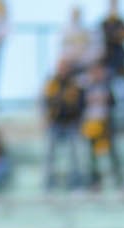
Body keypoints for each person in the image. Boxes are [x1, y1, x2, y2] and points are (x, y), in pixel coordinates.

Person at [41, 58, 86, 191]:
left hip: (71, 123)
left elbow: (80, 104)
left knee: (75, 155)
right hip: (55, 123)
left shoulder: (75, 84)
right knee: (49, 155)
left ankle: (76, 183)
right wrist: (46, 119)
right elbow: (46, 103)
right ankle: (48, 184)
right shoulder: (51, 83)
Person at [81, 64, 123, 191]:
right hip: (91, 125)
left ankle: (119, 183)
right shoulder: (84, 88)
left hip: (105, 125)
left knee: (112, 155)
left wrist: (106, 98)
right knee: (92, 157)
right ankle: (95, 183)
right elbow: (79, 105)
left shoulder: (107, 87)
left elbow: (114, 103)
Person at [99, 0, 124, 128]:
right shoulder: (103, 23)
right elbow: (106, 37)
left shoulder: (121, 22)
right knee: (108, 96)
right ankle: (109, 124)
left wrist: (117, 35)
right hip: (108, 65)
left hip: (121, 64)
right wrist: (117, 35)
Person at [57, 5, 92, 75]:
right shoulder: (65, 31)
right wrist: (69, 59)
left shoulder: (88, 31)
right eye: (74, 14)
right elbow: (62, 48)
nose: (76, 16)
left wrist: (82, 59)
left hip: (85, 63)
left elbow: (94, 50)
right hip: (69, 63)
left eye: (77, 14)